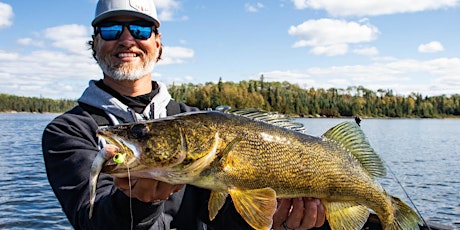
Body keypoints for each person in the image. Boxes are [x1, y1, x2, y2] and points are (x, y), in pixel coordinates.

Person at [42, 0, 326, 229]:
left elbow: (221, 219)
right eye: (111, 30)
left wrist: (276, 220)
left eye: (141, 30)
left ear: (158, 44)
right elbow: (91, 221)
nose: (127, 40)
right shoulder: (68, 130)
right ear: (94, 43)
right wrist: (140, 202)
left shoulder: (197, 123)